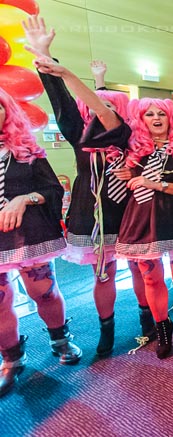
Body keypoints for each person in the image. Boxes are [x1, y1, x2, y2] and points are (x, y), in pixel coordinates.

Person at [24, 16, 152, 356]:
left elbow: (102, 110)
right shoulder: (80, 138)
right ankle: (106, 331)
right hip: (91, 215)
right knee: (103, 274)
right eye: (95, 107)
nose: (100, 111)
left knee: (140, 267)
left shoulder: (124, 135)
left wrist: (66, 72)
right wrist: (46, 62)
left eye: (108, 107)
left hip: (129, 212)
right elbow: (63, 105)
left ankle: (148, 320)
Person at [0, 87, 81, 397]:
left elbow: (53, 190)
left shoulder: (27, 150)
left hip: (29, 235)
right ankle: (11, 358)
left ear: (7, 111)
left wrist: (23, 199)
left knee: (43, 292)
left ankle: (60, 339)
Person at [115, 98, 173, 359]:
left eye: (161, 113)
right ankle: (163, 329)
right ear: (140, 119)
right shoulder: (133, 149)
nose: (156, 118)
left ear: (171, 118)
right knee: (151, 278)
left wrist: (154, 183)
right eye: (150, 114)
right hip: (142, 219)